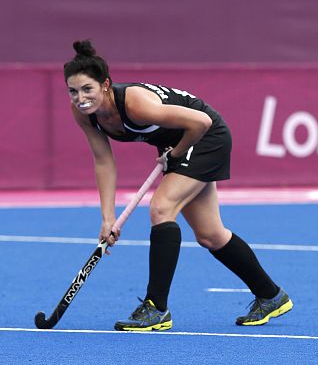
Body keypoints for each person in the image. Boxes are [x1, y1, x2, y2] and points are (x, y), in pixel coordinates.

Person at [63, 40, 293, 331]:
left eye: (87, 89)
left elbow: (201, 121)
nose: (81, 98)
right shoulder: (84, 114)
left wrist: (176, 152)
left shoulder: (134, 102)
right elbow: (103, 162)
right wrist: (108, 218)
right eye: (73, 91)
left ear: (105, 85)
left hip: (204, 137)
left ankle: (156, 308)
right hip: (179, 143)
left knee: (162, 208)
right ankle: (271, 295)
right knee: (210, 234)